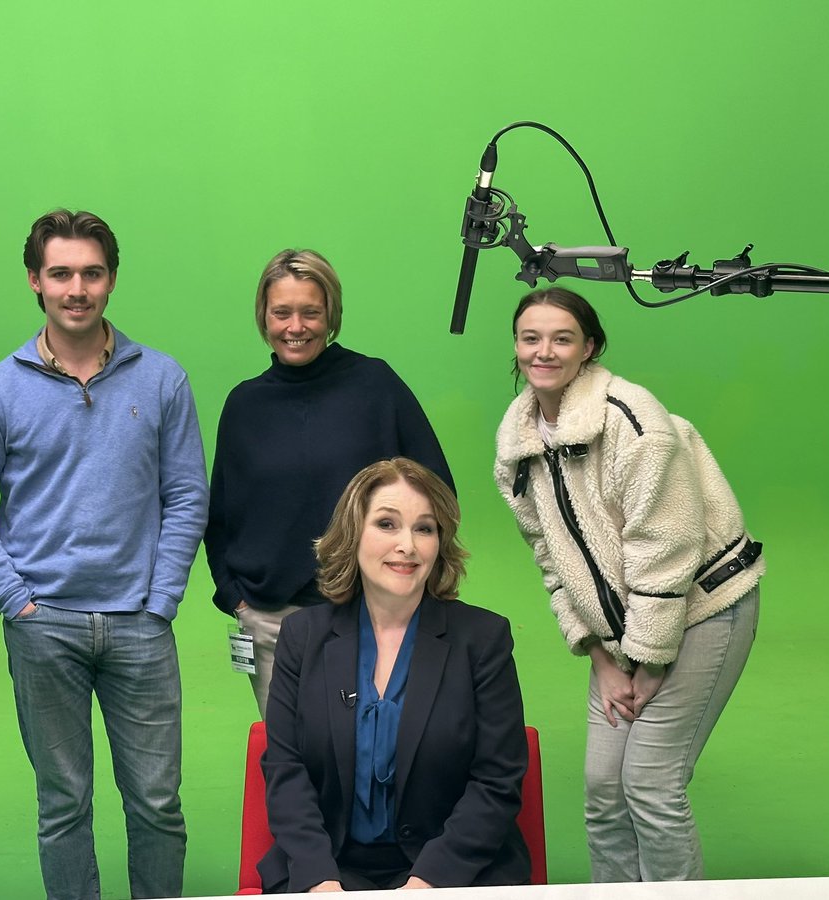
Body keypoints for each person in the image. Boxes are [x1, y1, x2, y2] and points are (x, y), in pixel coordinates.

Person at [0, 209, 208, 900]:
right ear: (35, 280)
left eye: (92, 273)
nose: (77, 289)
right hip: (44, 627)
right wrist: (18, 603)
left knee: (158, 804)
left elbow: (187, 496)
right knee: (63, 806)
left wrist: (162, 600)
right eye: (60, 273)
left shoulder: (162, 379)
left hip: (140, 625)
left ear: (112, 279)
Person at [493, 287, 763, 882]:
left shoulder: (631, 418)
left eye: (562, 338)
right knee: (603, 790)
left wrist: (649, 660)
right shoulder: (518, 445)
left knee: (650, 783)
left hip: (702, 606)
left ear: (589, 347)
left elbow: (666, 544)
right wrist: (601, 657)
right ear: (516, 346)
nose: (544, 351)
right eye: (530, 338)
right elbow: (553, 560)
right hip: (621, 632)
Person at [260, 458, 530, 892]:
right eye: (387, 524)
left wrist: (426, 883)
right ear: (353, 533)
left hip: (454, 872)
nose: (408, 545)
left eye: (424, 528)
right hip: (330, 868)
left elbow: (497, 780)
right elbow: (285, 770)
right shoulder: (302, 636)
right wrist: (320, 881)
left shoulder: (483, 639)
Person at [205, 249, 455, 717]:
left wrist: (408, 591)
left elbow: (437, 495)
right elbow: (218, 516)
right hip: (270, 620)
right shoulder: (244, 405)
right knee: (290, 753)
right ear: (264, 316)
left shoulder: (375, 385)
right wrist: (235, 598)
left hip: (372, 614)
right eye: (281, 312)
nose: (295, 327)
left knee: (379, 749)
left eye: (311, 312)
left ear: (331, 315)